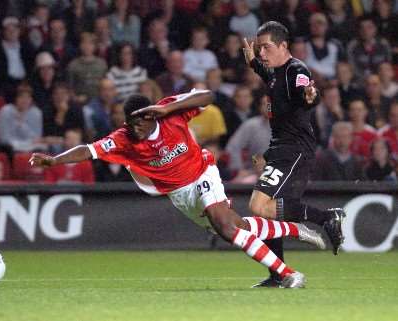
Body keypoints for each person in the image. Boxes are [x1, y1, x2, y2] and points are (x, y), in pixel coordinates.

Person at [30, 89, 327, 288]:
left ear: (150, 116)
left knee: (225, 227)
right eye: (128, 123)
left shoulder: (170, 112)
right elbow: (88, 150)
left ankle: (288, 275)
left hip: (202, 172)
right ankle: (295, 230)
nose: (132, 129)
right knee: (236, 226)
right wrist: (54, 160)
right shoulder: (123, 138)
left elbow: (207, 95)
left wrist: (168, 107)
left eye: (137, 123)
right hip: (180, 195)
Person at [242, 21, 345, 287]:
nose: (262, 52)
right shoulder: (276, 72)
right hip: (280, 147)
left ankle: (322, 219)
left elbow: (306, 93)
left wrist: (312, 96)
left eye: (266, 47)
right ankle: (278, 274)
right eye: (259, 47)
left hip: (295, 149)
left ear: (283, 46)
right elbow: (268, 77)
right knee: (266, 213)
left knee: (258, 207)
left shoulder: (296, 70)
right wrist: (253, 62)